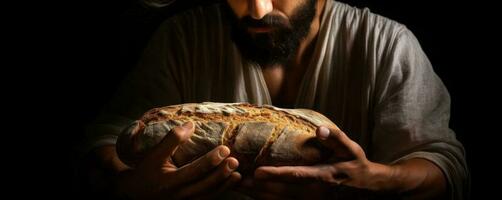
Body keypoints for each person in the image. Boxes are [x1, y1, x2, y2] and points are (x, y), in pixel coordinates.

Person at [84, 0, 469, 199]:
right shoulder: (182, 39)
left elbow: (442, 167)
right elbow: (102, 141)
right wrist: (127, 186)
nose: (257, 10)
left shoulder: (386, 44)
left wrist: (380, 183)